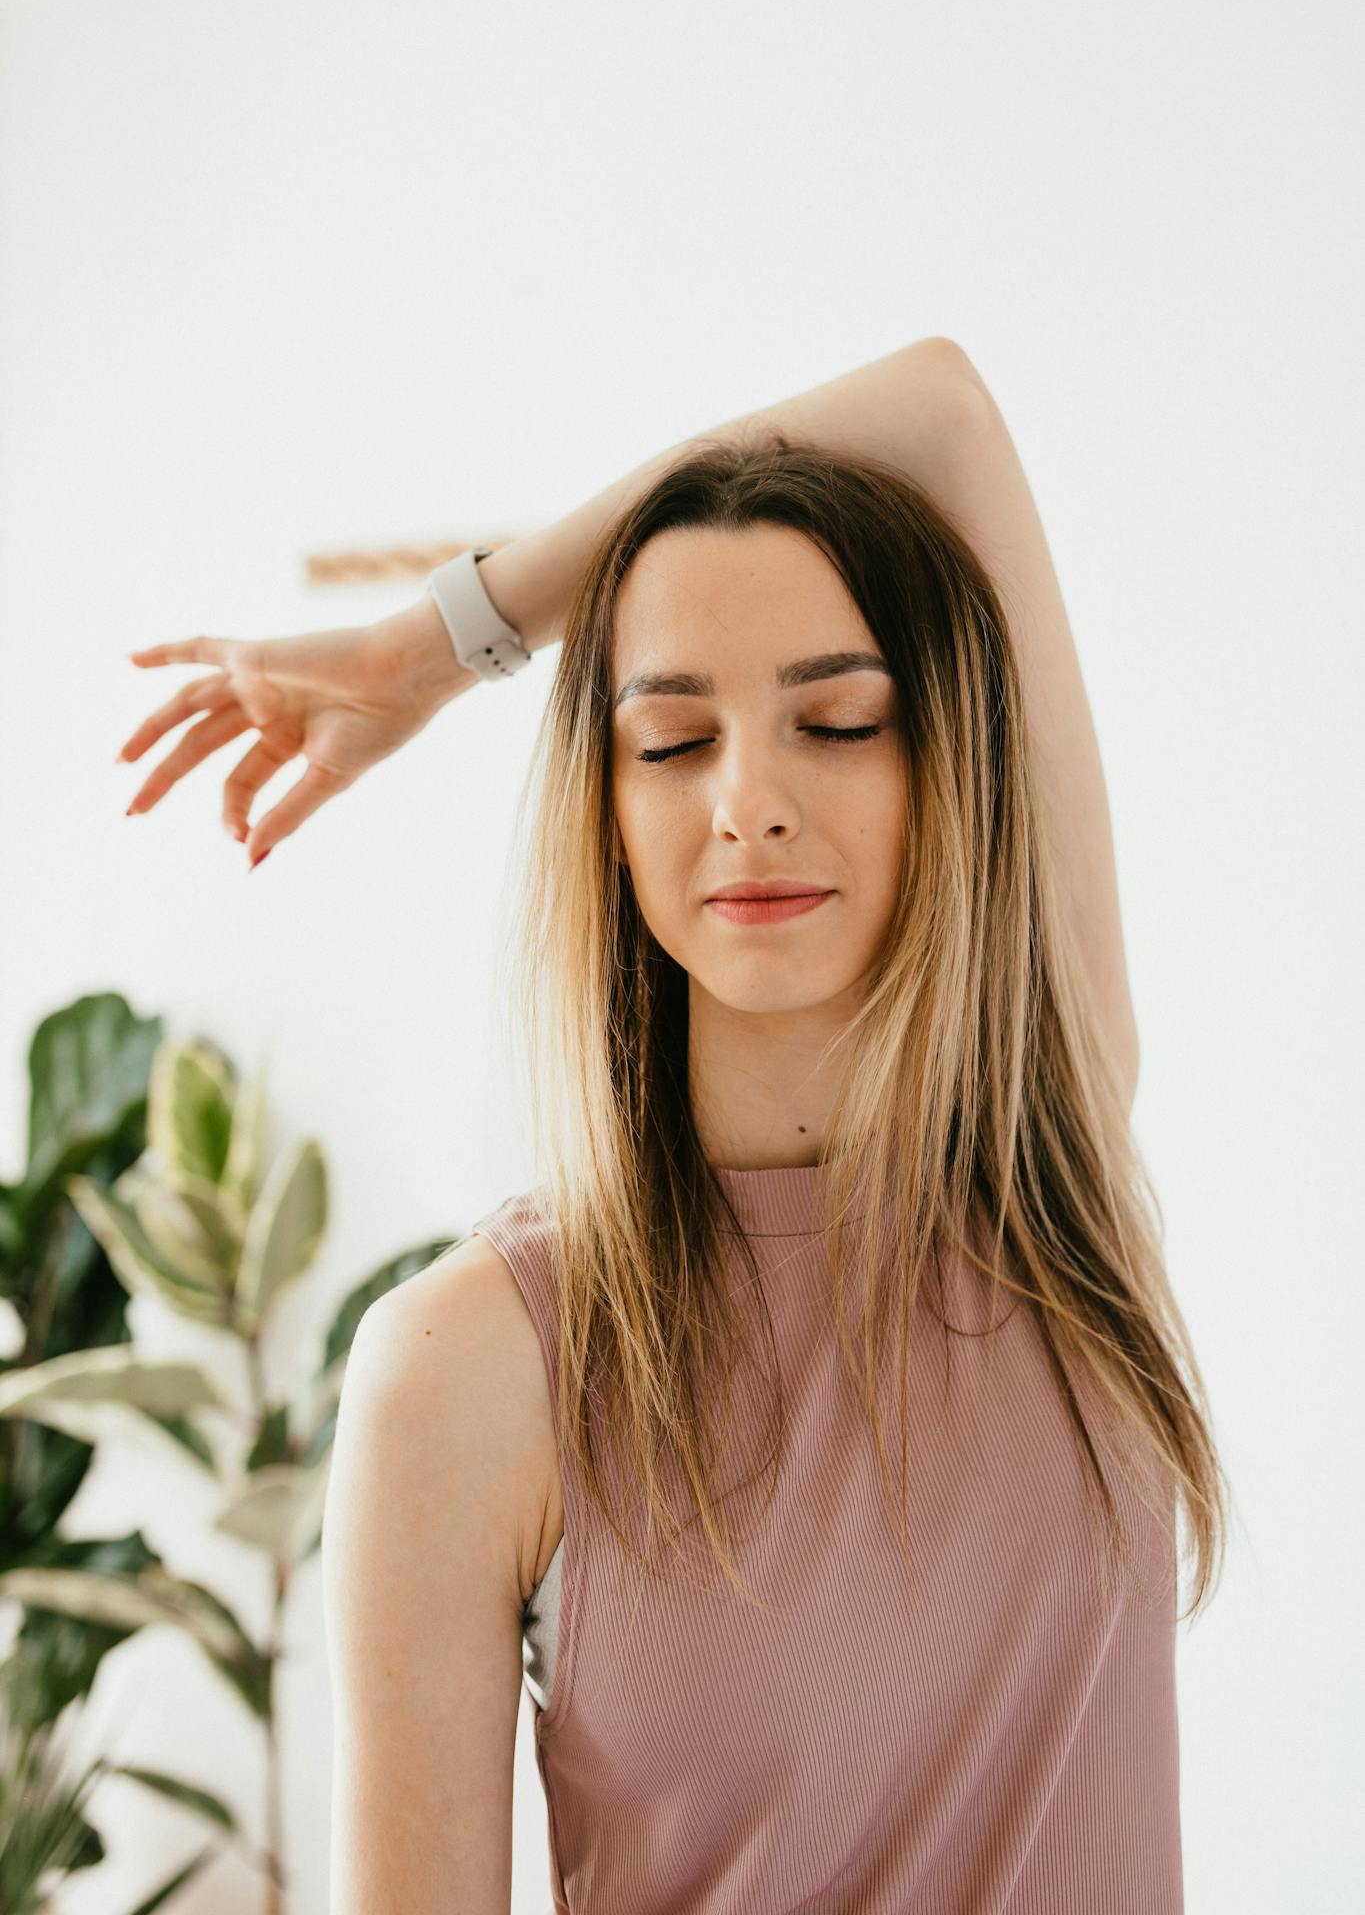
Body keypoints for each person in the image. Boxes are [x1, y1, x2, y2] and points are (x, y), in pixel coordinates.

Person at [117, 337, 1228, 1913]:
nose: (745, 803)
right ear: (608, 808)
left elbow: (936, 409)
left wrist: (439, 641)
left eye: (837, 724)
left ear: (944, 772)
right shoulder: (472, 1364)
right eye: (672, 739)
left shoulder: (1050, 1173)